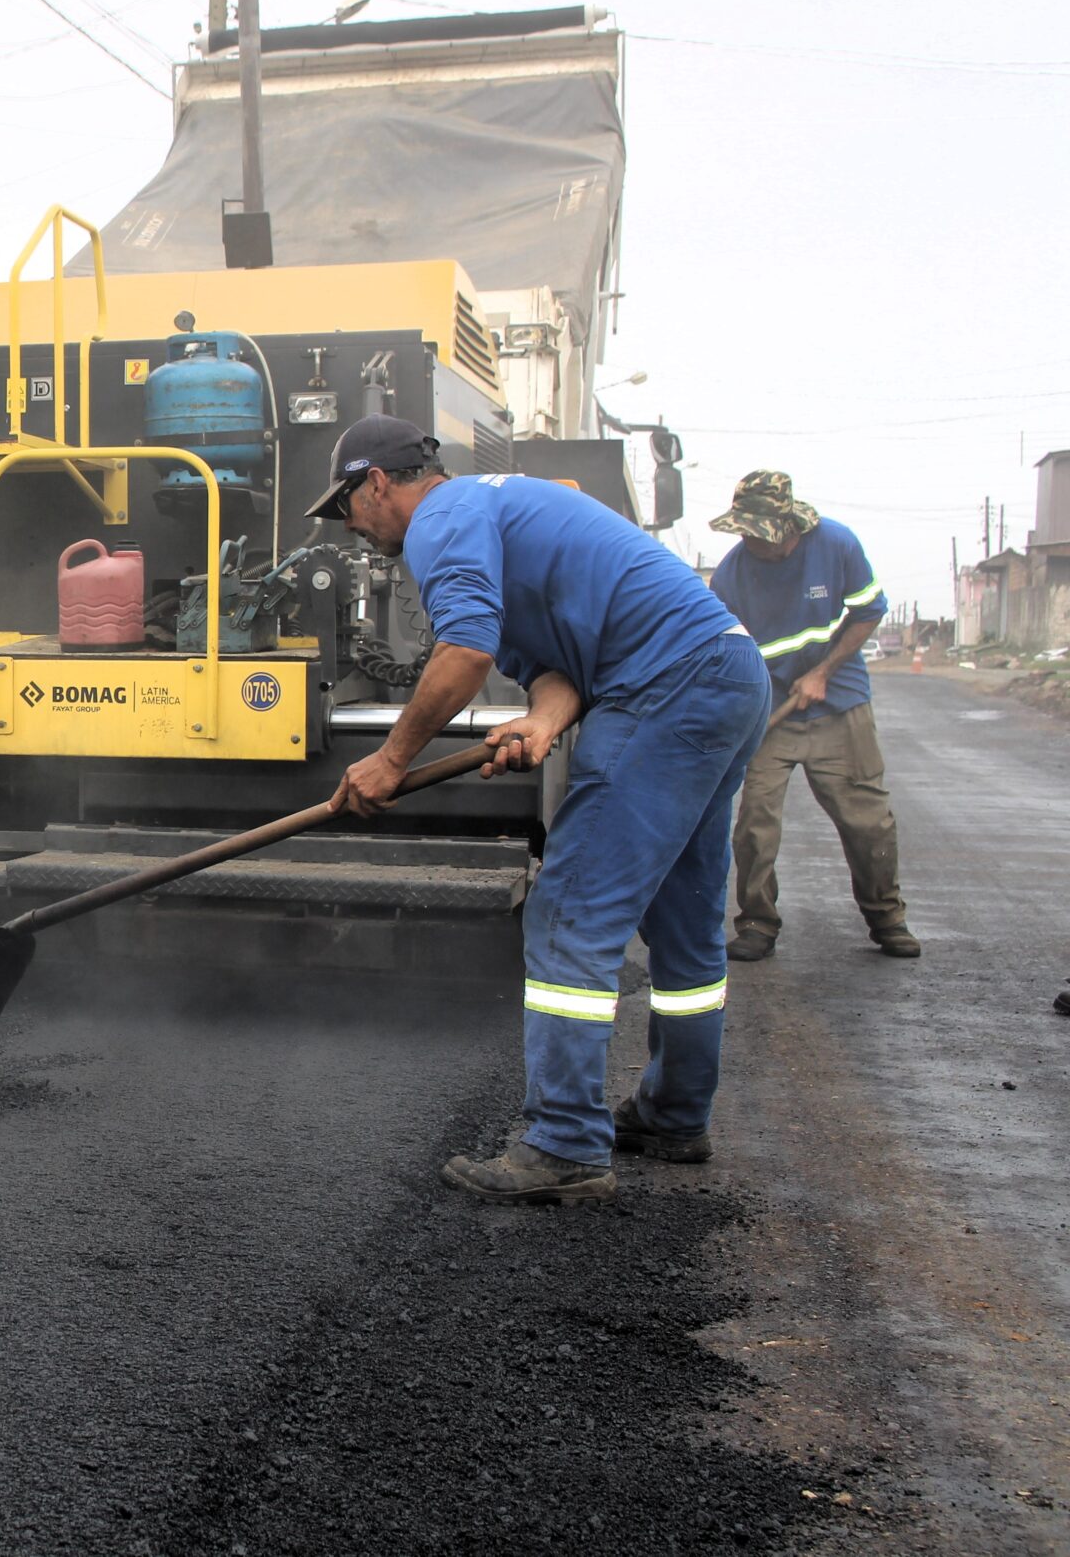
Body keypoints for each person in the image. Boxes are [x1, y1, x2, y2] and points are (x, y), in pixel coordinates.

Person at [310, 417, 770, 1203]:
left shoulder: (444, 519)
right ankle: (674, 1113)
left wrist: (391, 760)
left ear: (376, 483)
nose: (351, 527)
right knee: (684, 919)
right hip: (724, 673)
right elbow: (557, 668)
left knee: (568, 913)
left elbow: (465, 651)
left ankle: (564, 1143)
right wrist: (544, 721)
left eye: (347, 506)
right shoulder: (498, 509)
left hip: (665, 685)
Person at [707, 471, 919, 961]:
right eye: (746, 533)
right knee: (755, 824)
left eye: (763, 534)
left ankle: (887, 918)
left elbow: (869, 610)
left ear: (791, 528)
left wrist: (823, 670)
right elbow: (725, 649)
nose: (753, 543)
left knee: (868, 823)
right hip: (769, 714)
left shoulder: (836, 544)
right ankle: (758, 922)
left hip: (839, 704)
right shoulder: (730, 576)